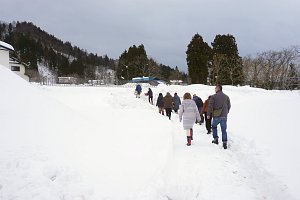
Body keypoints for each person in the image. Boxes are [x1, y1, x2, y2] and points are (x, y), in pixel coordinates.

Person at [207, 84, 231, 149]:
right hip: (224, 116)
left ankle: (216, 139)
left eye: (215, 88)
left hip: (216, 116)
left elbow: (210, 106)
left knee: (214, 126)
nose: (215, 89)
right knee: (224, 130)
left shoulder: (213, 97)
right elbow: (229, 106)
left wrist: (208, 114)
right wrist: (226, 112)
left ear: (218, 88)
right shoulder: (226, 97)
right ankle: (224, 142)